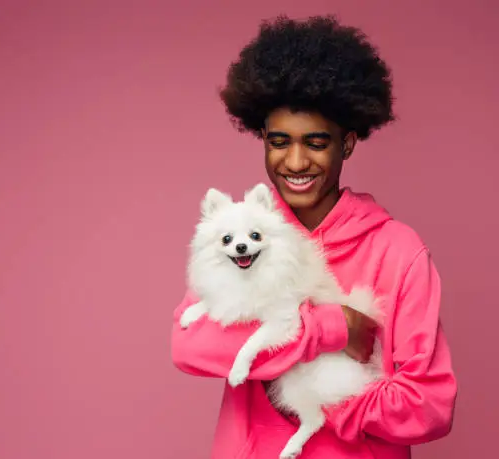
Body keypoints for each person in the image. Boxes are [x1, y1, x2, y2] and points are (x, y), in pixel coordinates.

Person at [171, 15, 457, 459]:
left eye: (317, 142)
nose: (296, 161)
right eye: (280, 141)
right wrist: (333, 328)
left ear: (348, 142)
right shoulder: (240, 236)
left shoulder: (398, 251)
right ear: (262, 138)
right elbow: (192, 346)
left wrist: (323, 399)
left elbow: (429, 406)